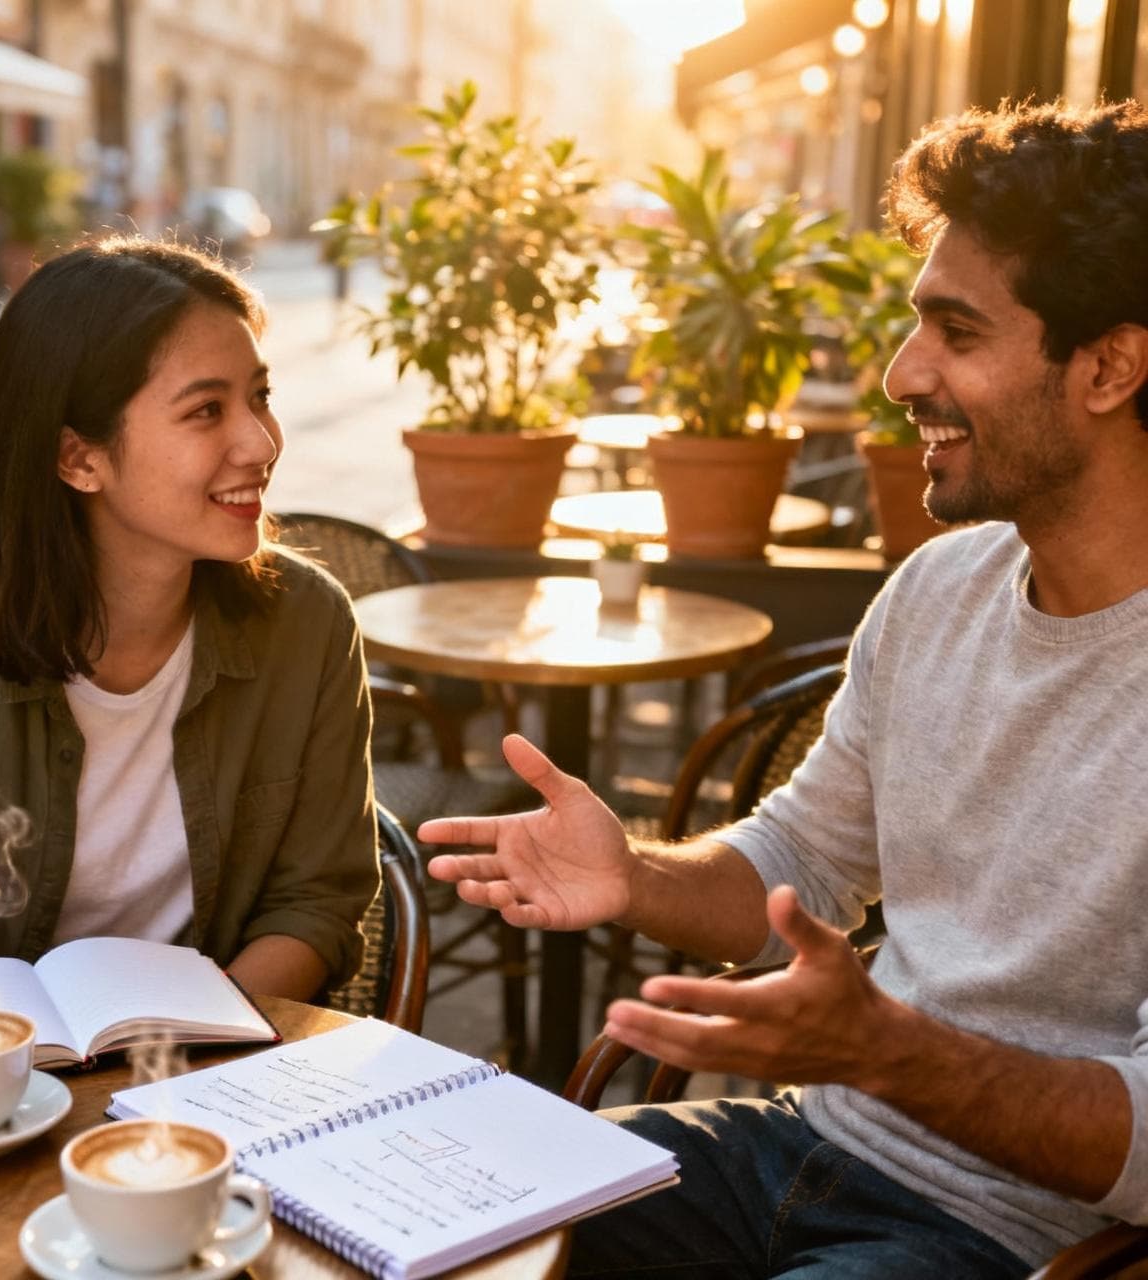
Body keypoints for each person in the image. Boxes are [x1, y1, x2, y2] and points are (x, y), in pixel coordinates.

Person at [420, 98, 1148, 1279]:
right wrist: (632, 874)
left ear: (1108, 365)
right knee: (443, 1212)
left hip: (1007, 1238)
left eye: (953, 332)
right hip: (794, 1143)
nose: (899, 372)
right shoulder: (938, 587)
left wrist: (886, 1047)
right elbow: (798, 857)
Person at [0, 236, 378, 1002]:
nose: (262, 442)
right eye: (207, 410)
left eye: (260, 397)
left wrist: (190, 1056)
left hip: (220, 1078)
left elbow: (319, 903)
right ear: (78, 459)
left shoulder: (307, 626)